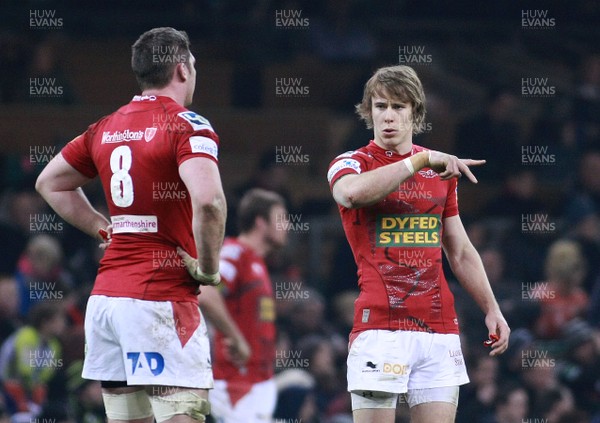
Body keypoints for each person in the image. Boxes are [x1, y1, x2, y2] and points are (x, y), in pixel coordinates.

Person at [35, 27, 230, 423]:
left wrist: (103, 229)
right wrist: (208, 269)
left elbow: (49, 182)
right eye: (193, 65)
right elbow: (209, 202)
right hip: (159, 300)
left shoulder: (106, 126)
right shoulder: (188, 124)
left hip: (107, 302)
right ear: (181, 69)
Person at [326, 65, 510, 423]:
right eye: (380, 107)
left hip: (438, 330)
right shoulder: (352, 163)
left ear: (416, 113)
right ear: (369, 112)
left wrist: (492, 308)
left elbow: (458, 249)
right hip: (380, 328)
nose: (389, 116)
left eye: (399, 107)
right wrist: (419, 160)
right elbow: (350, 195)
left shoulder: (440, 172)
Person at [198, 188, 287, 422]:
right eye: (281, 218)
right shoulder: (234, 253)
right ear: (260, 222)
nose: (287, 225)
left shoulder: (257, 261)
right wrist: (236, 339)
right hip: (235, 381)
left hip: (258, 380)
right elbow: (206, 292)